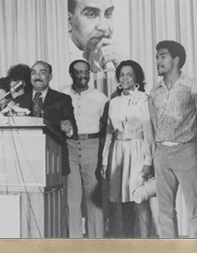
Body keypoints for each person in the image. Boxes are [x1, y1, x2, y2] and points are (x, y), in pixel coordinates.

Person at [149, 40, 197, 238]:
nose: (158, 60)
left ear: (176, 59)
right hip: (161, 154)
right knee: (164, 210)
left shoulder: (194, 87)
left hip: (186, 151)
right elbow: (155, 124)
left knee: (195, 209)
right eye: (157, 56)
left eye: (163, 56)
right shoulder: (154, 92)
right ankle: (171, 252)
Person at [101, 60, 156, 238]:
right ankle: (128, 240)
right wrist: (104, 160)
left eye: (129, 74)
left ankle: (145, 241)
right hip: (118, 152)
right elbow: (109, 132)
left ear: (136, 78)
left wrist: (148, 161)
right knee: (123, 200)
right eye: (122, 74)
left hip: (138, 150)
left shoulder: (144, 99)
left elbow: (149, 133)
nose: (125, 78)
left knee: (140, 198)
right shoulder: (114, 102)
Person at [63, 59, 108, 238]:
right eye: (78, 72)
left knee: (93, 197)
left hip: (93, 147)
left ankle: (95, 241)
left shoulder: (101, 98)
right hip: (70, 147)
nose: (83, 75)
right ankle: (75, 241)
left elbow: (106, 129)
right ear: (71, 74)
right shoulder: (62, 94)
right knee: (72, 198)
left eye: (86, 72)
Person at [30, 61, 77, 180]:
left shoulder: (62, 99)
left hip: (54, 159)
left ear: (50, 76)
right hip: (27, 160)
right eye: (34, 73)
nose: (37, 77)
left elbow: (73, 130)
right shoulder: (20, 100)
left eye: (42, 73)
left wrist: (69, 129)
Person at [67, 0, 123, 75]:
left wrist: (123, 66)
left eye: (108, 14)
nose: (104, 27)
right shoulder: (60, 63)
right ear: (69, 21)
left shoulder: (113, 62)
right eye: (91, 14)